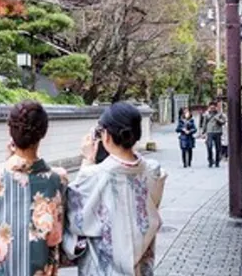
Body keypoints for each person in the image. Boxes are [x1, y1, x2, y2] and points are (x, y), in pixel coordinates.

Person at [63, 102, 167, 276]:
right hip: (139, 267)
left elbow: (76, 220)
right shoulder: (154, 171)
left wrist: (87, 160)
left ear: (107, 137)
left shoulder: (93, 176)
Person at [0, 101, 68, 276]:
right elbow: (58, 228)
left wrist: (9, 160)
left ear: (11, 132)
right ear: (43, 133)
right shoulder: (57, 179)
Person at [200, 101, 226, 168]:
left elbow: (223, 122)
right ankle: (210, 161)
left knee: (218, 148)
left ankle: (217, 161)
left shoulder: (220, 114)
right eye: (211, 107)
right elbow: (204, 123)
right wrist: (203, 132)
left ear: (216, 107)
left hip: (218, 132)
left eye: (214, 107)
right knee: (209, 146)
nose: (212, 109)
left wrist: (218, 119)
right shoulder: (207, 114)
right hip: (209, 132)